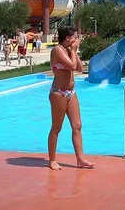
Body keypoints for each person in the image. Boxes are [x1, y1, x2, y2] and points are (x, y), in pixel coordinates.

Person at [48, 26, 94, 171]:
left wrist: (74, 51)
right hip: (58, 92)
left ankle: (80, 159)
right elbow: (72, 66)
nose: (77, 40)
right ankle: (52, 159)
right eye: (75, 37)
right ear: (68, 38)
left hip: (71, 92)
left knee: (77, 125)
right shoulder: (57, 50)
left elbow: (80, 68)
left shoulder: (69, 51)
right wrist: (73, 51)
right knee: (57, 127)